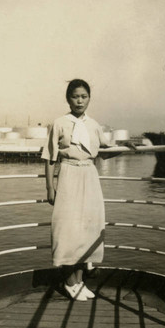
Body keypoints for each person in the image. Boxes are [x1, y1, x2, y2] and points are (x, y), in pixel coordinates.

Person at [41, 79, 111, 301]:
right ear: (67, 98)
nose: (79, 101)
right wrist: (50, 187)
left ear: (89, 98)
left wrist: (126, 147)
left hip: (89, 176)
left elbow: (105, 151)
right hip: (69, 174)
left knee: (87, 228)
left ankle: (79, 281)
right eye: (75, 96)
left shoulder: (94, 125)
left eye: (84, 96)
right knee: (67, 229)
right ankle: (69, 281)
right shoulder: (59, 123)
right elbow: (50, 158)